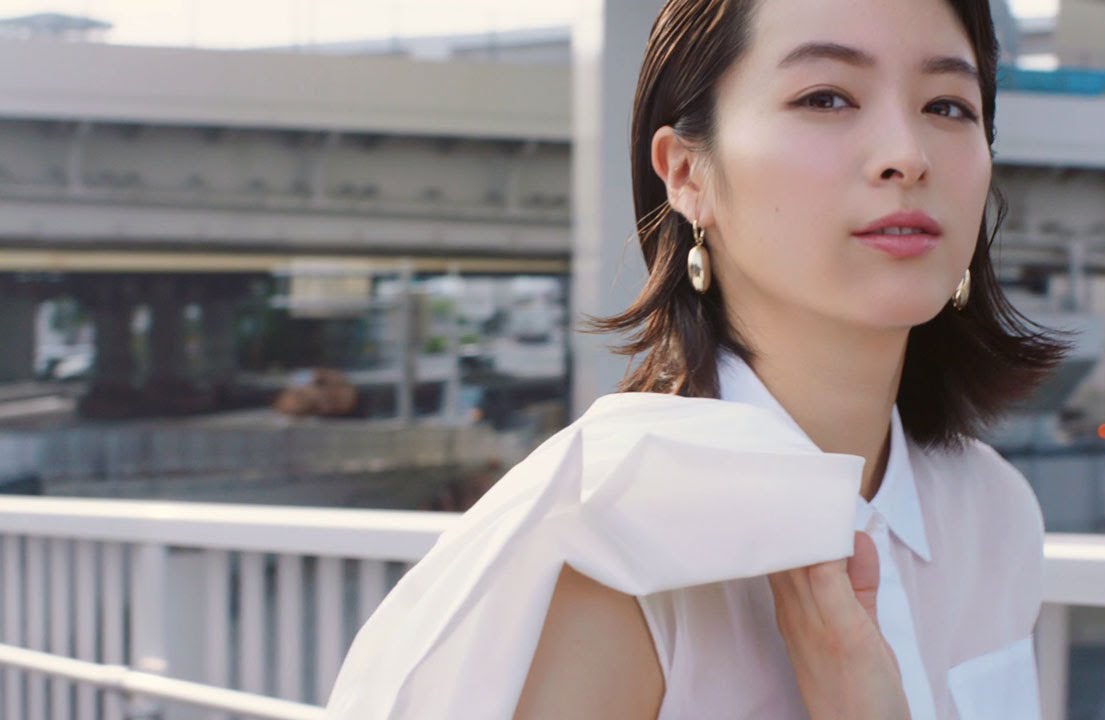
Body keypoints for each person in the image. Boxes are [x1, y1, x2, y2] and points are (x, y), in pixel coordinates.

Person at [325, 0, 1067, 717]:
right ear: (685, 173)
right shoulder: (609, 544)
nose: (908, 155)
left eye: (948, 106)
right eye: (826, 98)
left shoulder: (992, 513)